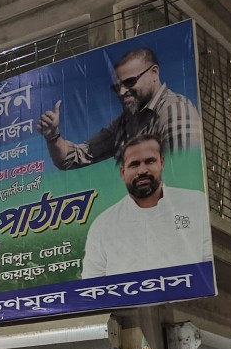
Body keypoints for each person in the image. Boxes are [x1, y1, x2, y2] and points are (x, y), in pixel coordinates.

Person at [37, 47, 202, 171]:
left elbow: (184, 173)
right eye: (117, 87)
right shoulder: (124, 124)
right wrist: (53, 136)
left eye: (130, 82)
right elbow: (72, 158)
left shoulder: (175, 110)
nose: (122, 92)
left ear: (154, 73)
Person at [81, 133, 212, 279]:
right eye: (134, 164)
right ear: (123, 172)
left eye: (150, 161)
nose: (142, 170)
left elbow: (210, 261)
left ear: (161, 163)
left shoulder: (195, 203)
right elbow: (93, 279)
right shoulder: (103, 224)